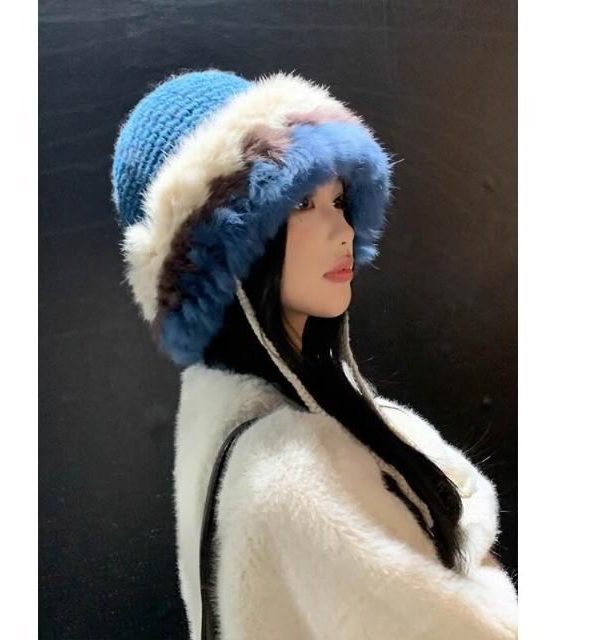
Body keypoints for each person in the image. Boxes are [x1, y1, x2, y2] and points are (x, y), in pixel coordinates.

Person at [111, 68, 518, 639]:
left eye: (339, 199)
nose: (342, 229)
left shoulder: (237, 426)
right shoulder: (293, 475)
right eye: (303, 203)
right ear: (219, 251)